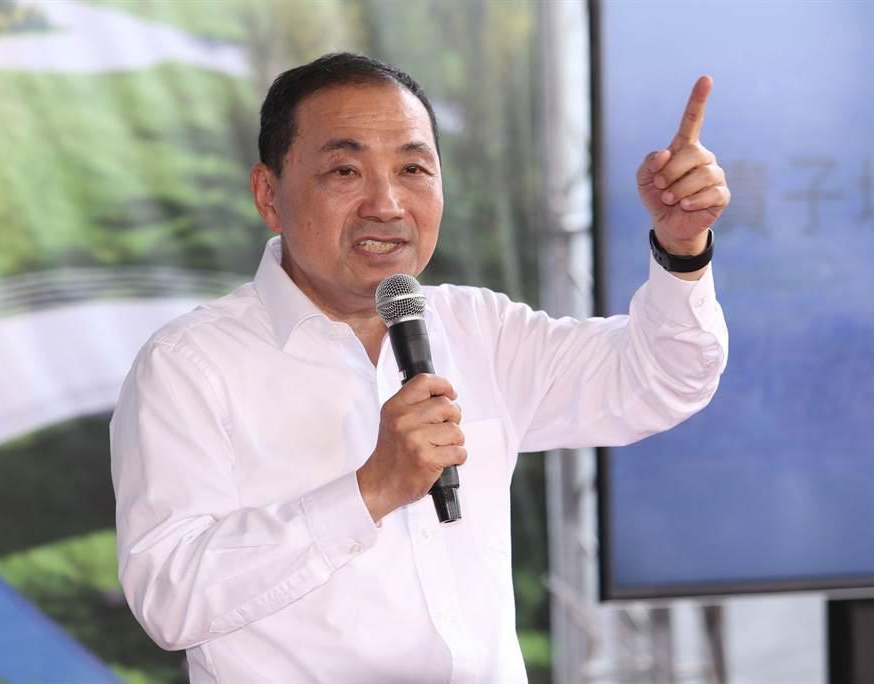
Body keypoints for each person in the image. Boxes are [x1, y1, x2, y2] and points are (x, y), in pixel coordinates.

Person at [110, 52, 729, 683]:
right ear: (269, 194)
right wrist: (370, 490)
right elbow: (168, 597)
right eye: (345, 170)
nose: (385, 204)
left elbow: (661, 380)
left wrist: (681, 250)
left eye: (412, 169)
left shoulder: (480, 328)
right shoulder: (190, 365)